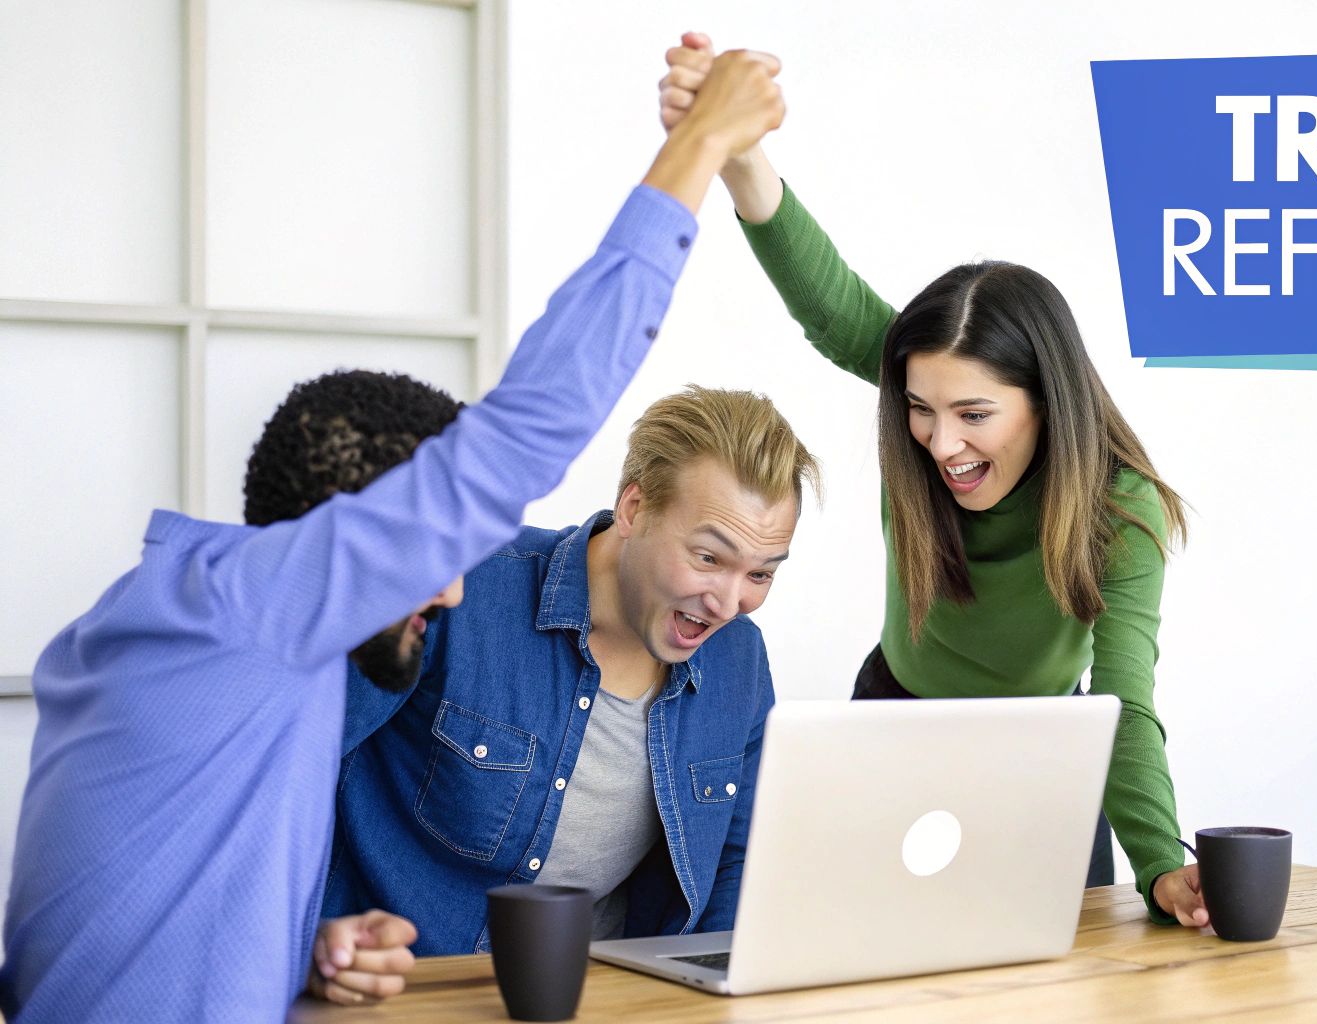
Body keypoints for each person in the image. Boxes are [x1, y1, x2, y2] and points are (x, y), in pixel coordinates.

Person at [0, 48, 786, 1023]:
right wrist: (701, 141)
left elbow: (163, 907)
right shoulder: (254, 607)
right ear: (349, 541)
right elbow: (530, 423)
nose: (454, 592)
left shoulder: (191, 630)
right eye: (432, 556)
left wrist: (304, 947)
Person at [660, 34, 1208, 928]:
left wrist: (1160, 867)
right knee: (860, 949)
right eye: (919, 407)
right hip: (894, 724)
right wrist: (735, 151)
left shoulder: (1121, 510)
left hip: (1048, 751)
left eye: (974, 416)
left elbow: (1123, 702)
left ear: (1048, 402)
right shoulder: (925, 435)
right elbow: (829, 298)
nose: (940, 442)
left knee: (1068, 971)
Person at [324, 386, 817, 952]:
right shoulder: (461, 592)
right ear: (634, 509)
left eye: (760, 575)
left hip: (606, 991)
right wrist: (306, 942)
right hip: (406, 982)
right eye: (709, 558)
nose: (728, 604)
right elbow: (295, 769)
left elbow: (742, 856)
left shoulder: (740, 660)